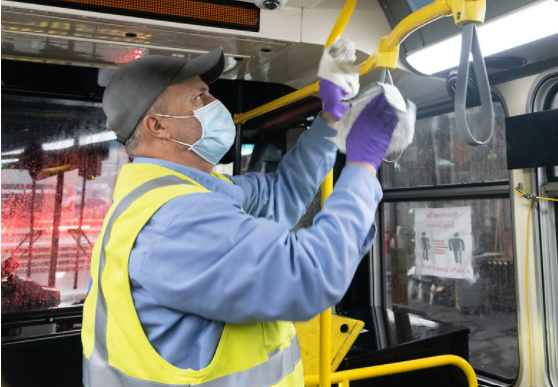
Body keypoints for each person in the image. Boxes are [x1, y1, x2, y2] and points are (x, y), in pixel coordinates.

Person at [82, 47, 399, 386]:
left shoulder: (190, 194)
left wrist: (330, 121)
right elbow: (309, 274)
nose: (215, 104)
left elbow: (282, 194)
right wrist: (363, 164)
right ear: (158, 125)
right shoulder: (174, 221)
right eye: (199, 97)